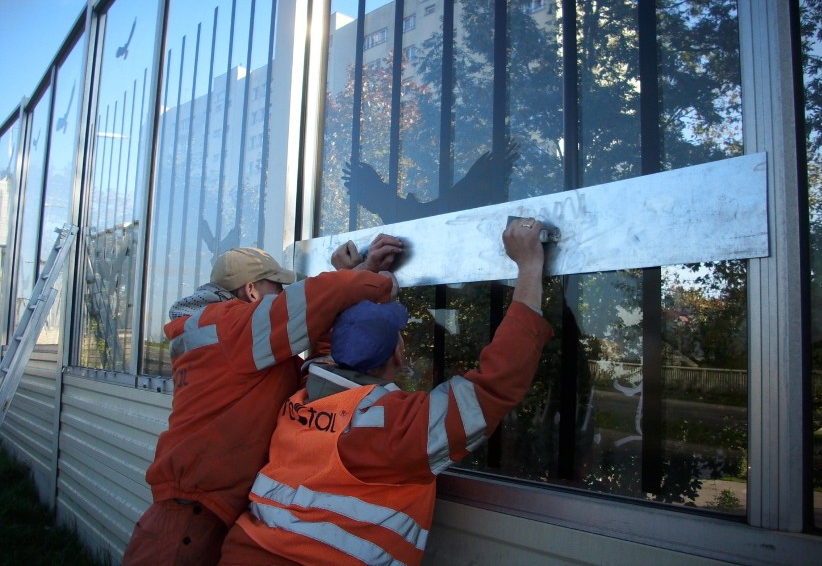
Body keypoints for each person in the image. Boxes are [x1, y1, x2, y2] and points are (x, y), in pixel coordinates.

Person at [218, 217, 554, 566]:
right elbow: (494, 385)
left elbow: (326, 347)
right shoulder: (392, 428)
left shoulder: (300, 398)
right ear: (398, 352)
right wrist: (530, 268)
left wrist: (359, 272)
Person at [121, 237, 403, 566]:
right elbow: (312, 301)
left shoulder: (245, 349)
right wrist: (373, 281)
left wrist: (353, 278)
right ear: (252, 291)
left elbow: (318, 365)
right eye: (277, 289)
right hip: (185, 529)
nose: (283, 297)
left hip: (207, 516)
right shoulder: (228, 326)